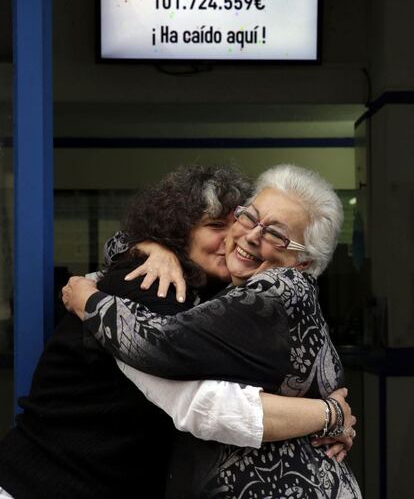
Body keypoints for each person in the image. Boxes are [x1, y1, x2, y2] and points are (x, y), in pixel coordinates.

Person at [0, 165, 354, 499]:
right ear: (177, 230)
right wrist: (328, 414)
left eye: (270, 231)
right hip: (41, 485)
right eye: (217, 225)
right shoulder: (153, 285)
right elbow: (202, 404)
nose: (236, 235)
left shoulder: (246, 297)